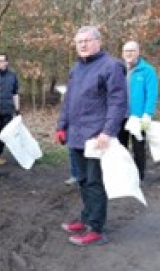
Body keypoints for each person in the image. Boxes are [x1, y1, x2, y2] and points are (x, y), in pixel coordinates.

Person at [55, 25, 127, 246]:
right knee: (83, 179)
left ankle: (96, 228)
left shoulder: (111, 66)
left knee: (95, 181)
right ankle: (86, 217)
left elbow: (118, 102)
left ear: (98, 41)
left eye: (87, 40)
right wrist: (62, 125)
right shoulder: (76, 69)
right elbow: (69, 101)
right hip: (76, 134)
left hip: (96, 136)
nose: (83, 45)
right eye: (79, 42)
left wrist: (108, 131)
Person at [118, 41, 158, 181]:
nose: (129, 53)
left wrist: (148, 114)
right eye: (126, 51)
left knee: (138, 149)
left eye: (132, 50)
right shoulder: (118, 69)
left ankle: (138, 176)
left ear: (138, 52)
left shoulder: (148, 70)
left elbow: (152, 94)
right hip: (119, 116)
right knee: (120, 148)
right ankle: (123, 175)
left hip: (138, 118)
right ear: (122, 53)